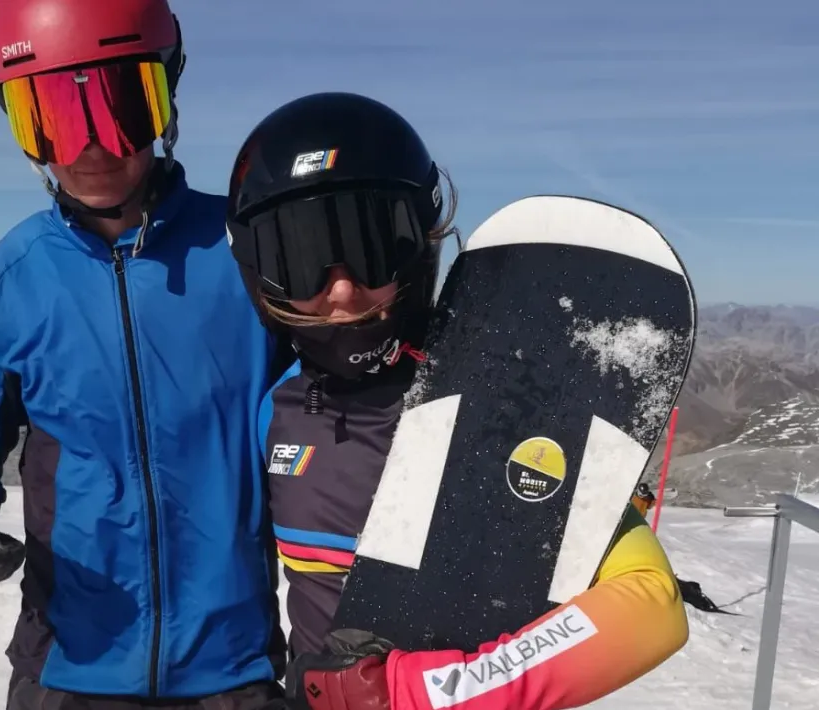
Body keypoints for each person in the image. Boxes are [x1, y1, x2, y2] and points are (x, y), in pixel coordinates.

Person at [224, 92, 690, 710]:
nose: (340, 289)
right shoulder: (274, 411)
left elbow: (651, 604)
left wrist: (417, 692)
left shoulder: (499, 402)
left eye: (369, 249)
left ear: (417, 241)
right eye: (299, 259)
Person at [0, 1, 290, 708]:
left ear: (167, 99)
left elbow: (322, 419)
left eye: (122, 107)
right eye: (50, 117)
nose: (90, 147)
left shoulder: (248, 253)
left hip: (232, 668)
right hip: (68, 666)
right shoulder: (3, 282)